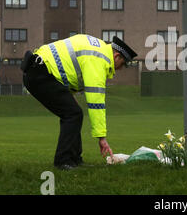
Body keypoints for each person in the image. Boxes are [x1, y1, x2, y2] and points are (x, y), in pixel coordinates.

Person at [21, 34, 137, 170]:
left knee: (75, 113)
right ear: (117, 56)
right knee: (72, 114)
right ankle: (63, 161)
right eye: (122, 64)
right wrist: (101, 137)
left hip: (39, 70)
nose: (120, 69)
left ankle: (75, 160)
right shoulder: (99, 59)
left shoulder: (97, 49)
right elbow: (96, 102)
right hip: (41, 74)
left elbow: (68, 71)